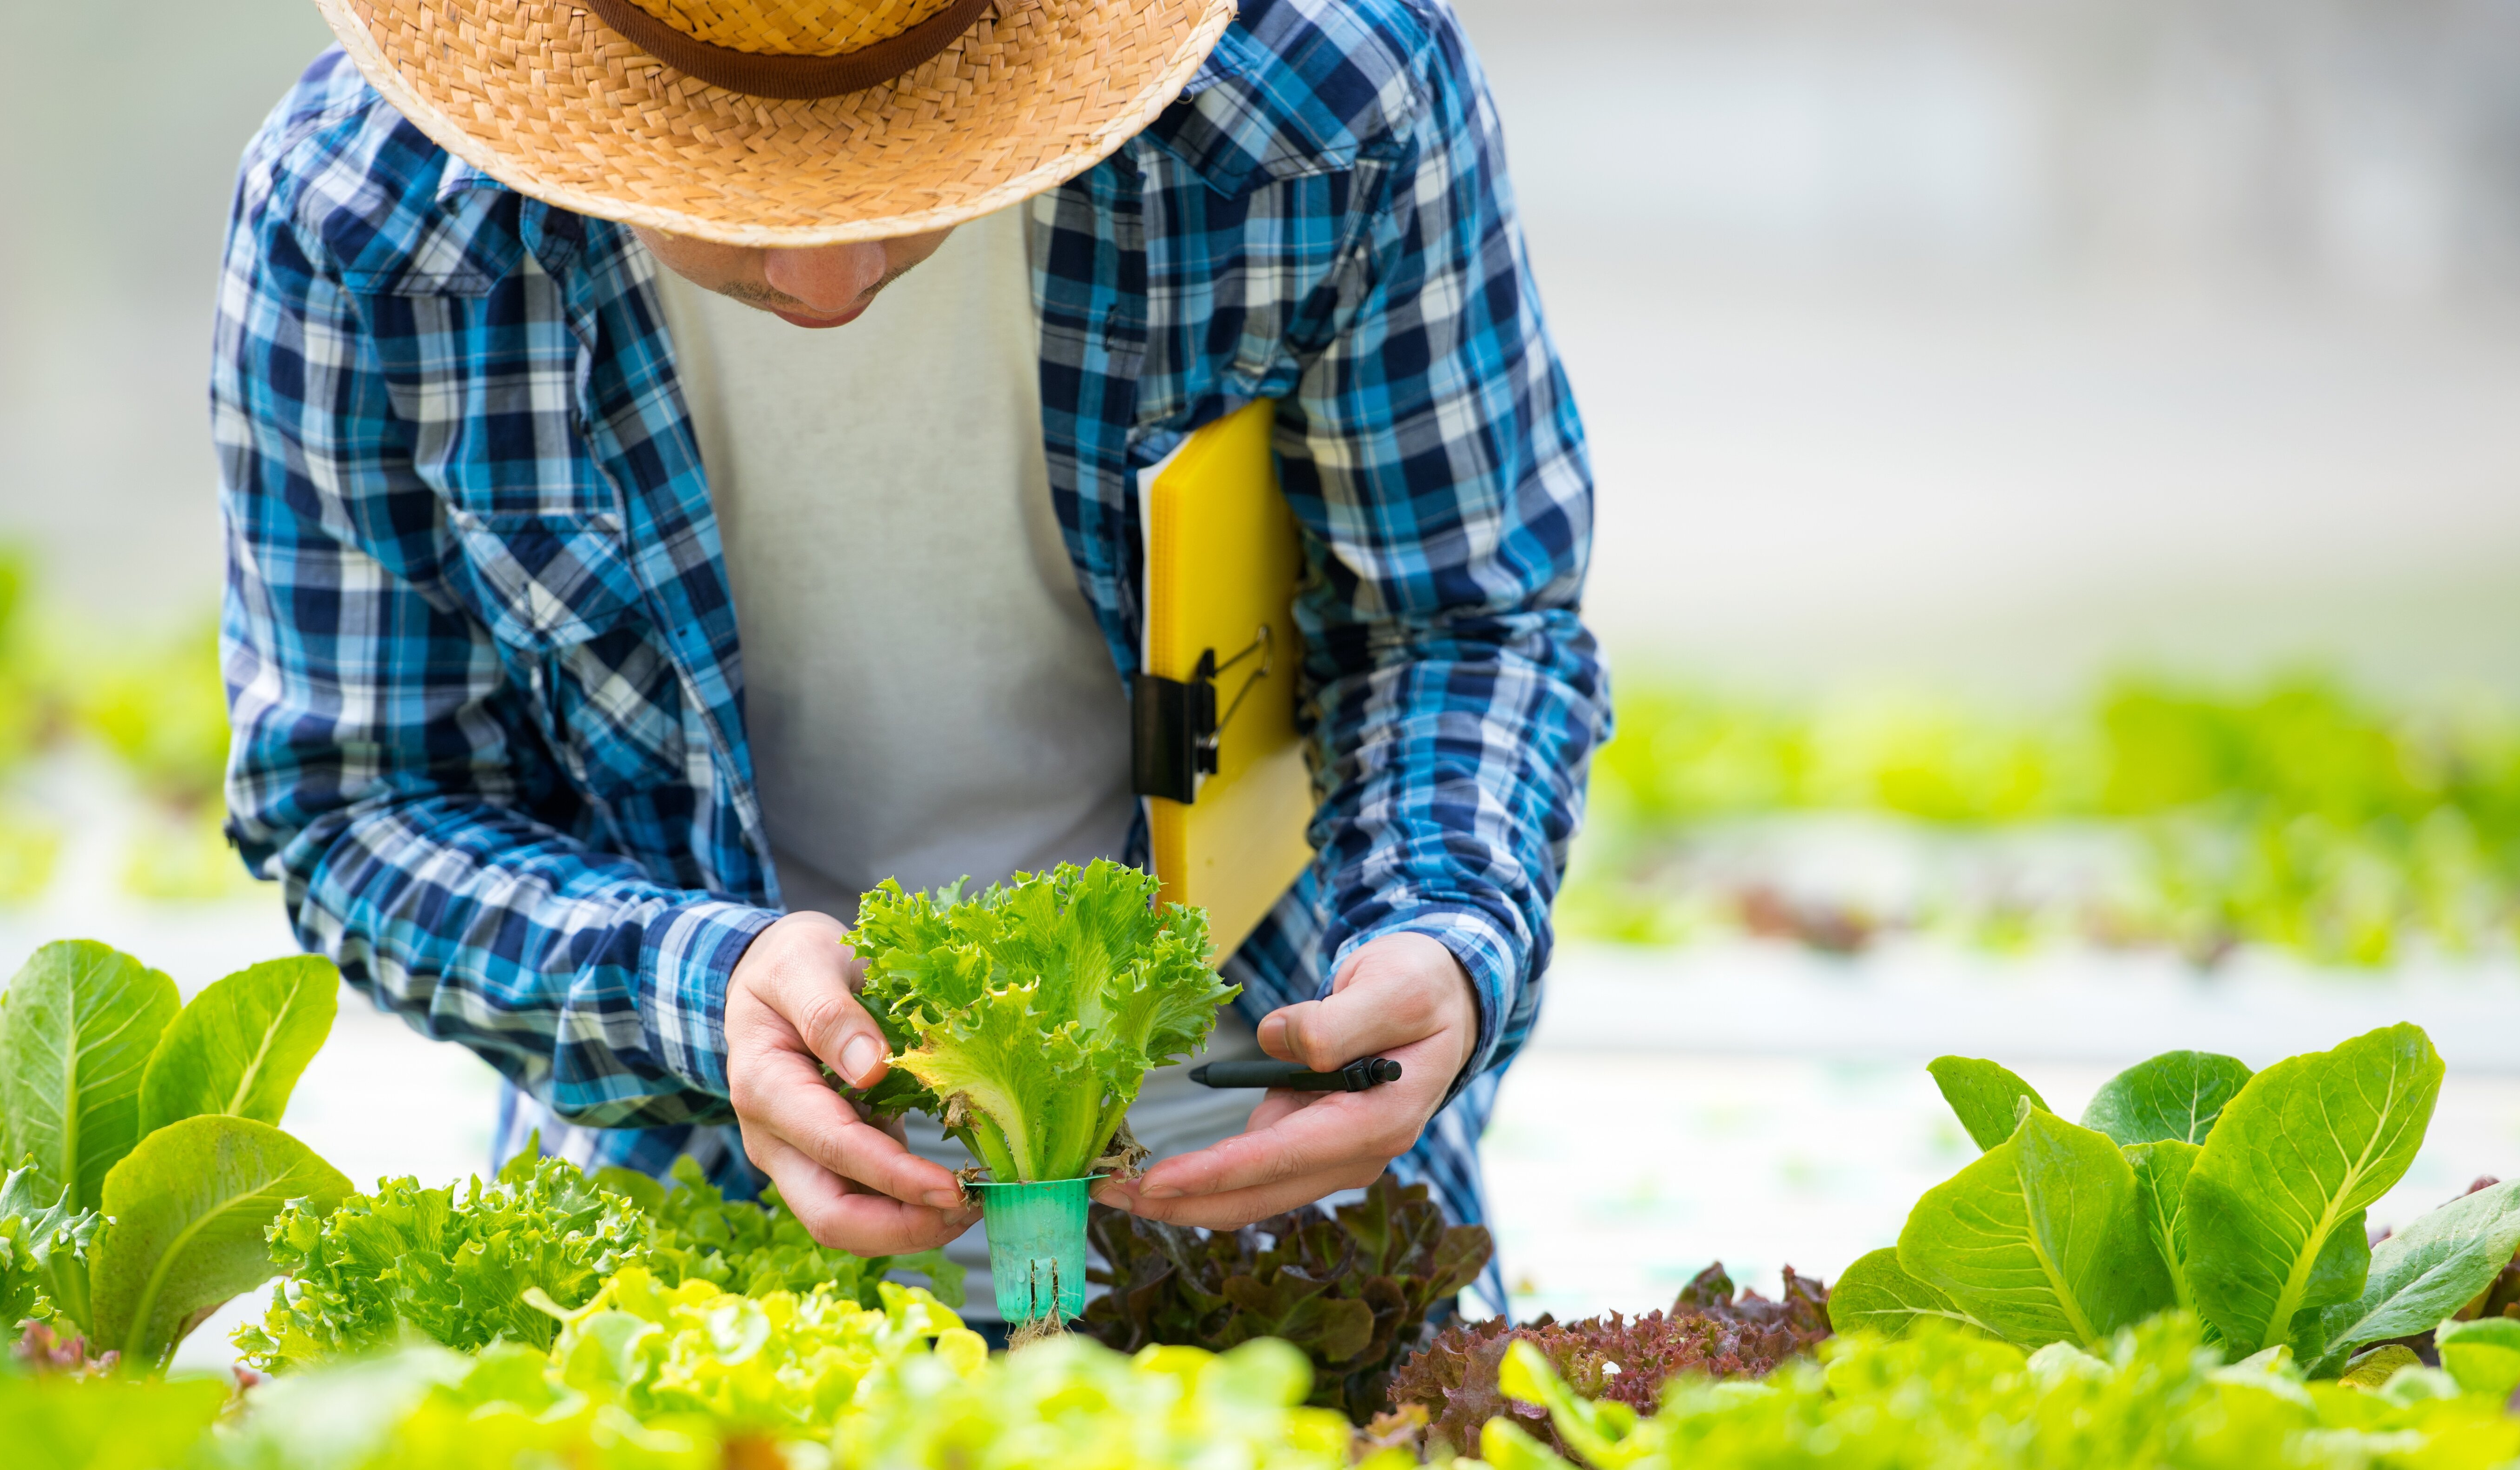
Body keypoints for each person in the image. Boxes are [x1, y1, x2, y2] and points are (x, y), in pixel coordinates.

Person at [214, 0, 1606, 1322]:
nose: (830, 285)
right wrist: (701, 987)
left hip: (1269, 1186)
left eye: (900, 174)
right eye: (733, 191)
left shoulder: (1320, 98)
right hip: (701, 1214)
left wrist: (1444, 932)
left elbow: (1462, 622)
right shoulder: (371, 220)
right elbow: (357, 801)